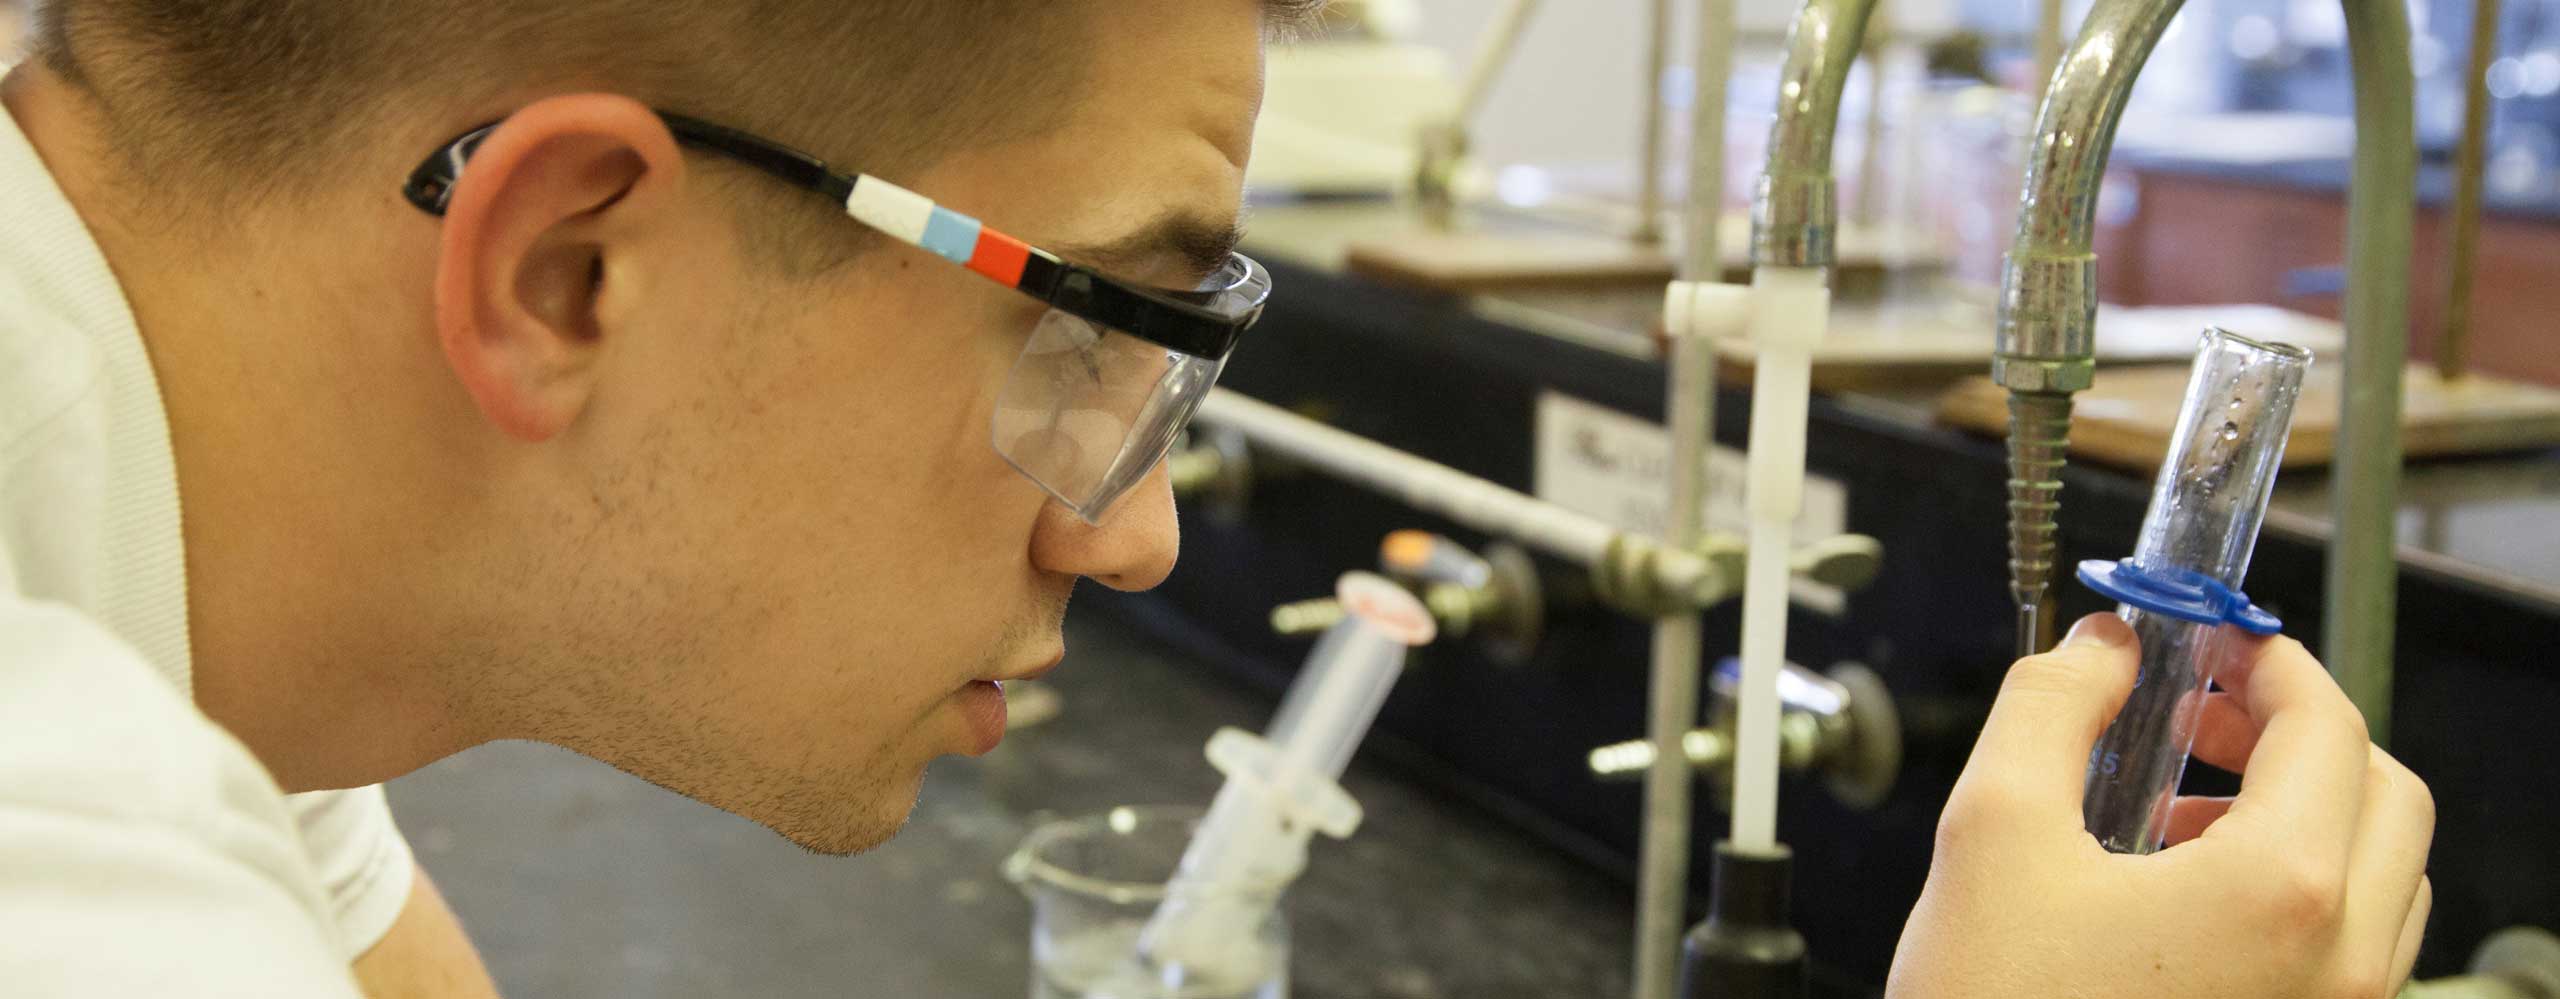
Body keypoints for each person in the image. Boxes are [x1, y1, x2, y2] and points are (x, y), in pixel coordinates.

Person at [0, 1, 2429, 996]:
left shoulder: (204, 641)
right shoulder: (64, 857)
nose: (1137, 528)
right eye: (1094, 340)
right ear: (568, 268)